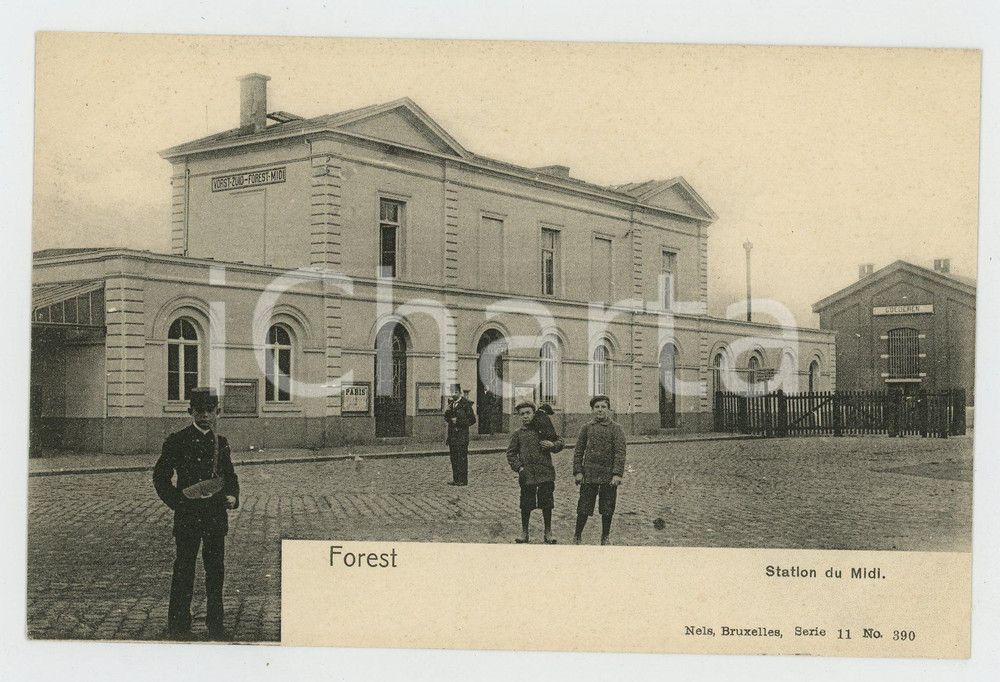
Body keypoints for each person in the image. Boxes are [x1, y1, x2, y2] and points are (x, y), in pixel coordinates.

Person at [153, 387, 240, 640]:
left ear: (217, 412)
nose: (204, 416)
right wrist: (177, 502)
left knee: (215, 571)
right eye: (199, 411)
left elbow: (230, 476)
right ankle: (179, 626)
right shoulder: (177, 440)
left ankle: (216, 626)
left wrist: (233, 497)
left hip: (215, 516)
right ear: (190, 411)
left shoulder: (221, 443)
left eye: (209, 411)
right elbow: (160, 477)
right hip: (188, 517)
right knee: (184, 570)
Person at [507, 400, 564, 544]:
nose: (525, 416)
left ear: (534, 413)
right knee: (526, 504)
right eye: (522, 414)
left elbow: (559, 441)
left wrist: (552, 445)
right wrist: (519, 467)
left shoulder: (543, 429)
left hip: (545, 473)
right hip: (527, 475)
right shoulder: (518, 434)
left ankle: (548, 532)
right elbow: (511, 454)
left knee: (547, 503)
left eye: (528, 413)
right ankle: (524, 532)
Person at [573, 395, 626, 545]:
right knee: (584, 507)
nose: (600, 410)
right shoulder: (586, 428)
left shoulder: (616, 429)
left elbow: (620, 453)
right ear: (592, 410)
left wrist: (617, 474)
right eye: (597, 407)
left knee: (607, 507)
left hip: (608, 476)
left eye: (603, 407)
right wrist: (578, 472)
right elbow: (578, 451)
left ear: (609, 409)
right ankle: (577, 535)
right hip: (589, 475)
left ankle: (605, 536)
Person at [443, 383, 477, 485]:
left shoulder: (466, 404)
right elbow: (447, 418)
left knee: (462, 458)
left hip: (462, 436)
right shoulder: (451, 404)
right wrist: (447, 412)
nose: (453, 395)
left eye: (455, 392)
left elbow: (472, 420)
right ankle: (456, 479)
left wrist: (458, 421)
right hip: (452, 436)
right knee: (453, 458)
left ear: (459, 392)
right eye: (451, 392)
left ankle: (463, 480)